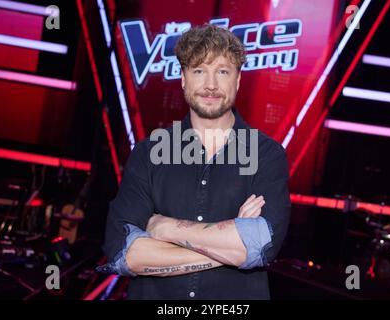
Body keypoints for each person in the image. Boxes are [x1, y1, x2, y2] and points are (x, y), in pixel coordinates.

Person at [97, 24, 291, 299]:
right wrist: (232, 247)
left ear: (237, 81)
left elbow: (260, 246)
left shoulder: (267, 155)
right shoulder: (148, 152)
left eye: (222, 72)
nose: (211, 85)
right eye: (199, 70)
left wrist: (162, 227)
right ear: (183, 78)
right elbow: (124, 253)